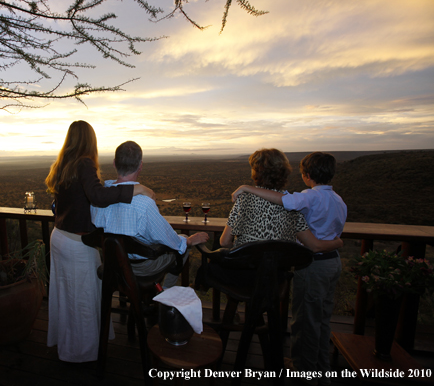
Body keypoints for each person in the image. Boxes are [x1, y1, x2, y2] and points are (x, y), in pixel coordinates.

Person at [231, 151, 347, 385]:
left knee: (306, 321)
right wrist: (337, 243)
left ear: (306, 175)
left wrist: (246, 188)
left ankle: (304, 370)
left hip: (314, 264)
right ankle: (321, 369)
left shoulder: (307, 198)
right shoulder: (339, 200)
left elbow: (286, 203)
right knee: (323, 320)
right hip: (332, 262)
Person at [44, 121, 155, 363]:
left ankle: (73, 344)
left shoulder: (64, 164)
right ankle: (80, 353)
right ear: (90, 140)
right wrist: (134, 190)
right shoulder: (84, 162)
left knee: (69, 295)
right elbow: (95, 195)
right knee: (82, 297)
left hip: (60, 238)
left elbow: (75, 198)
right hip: (75, 243)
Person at [211, 148, 342, 287]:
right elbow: (312, 244)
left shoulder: (244, 200)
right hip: (276, 279)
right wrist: (338, 243)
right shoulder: (293, 206)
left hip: (244, 276)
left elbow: (225, 242)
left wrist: (240, 253)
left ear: (256, 173)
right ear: (284, 172)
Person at [91, 141, 209, 289]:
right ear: (140, 165)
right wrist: (189, 241)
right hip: (141, 267)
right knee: (183, 243)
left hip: (112, 263)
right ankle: (165, 295)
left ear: (114, 163)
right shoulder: (144, 204)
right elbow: (169, 239)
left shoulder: (97, 199)